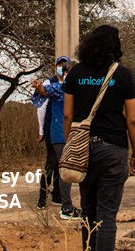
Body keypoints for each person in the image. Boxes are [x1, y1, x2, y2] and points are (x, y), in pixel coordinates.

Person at [63, 24, 135, 251]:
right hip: (113, 149)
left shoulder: (75, 73)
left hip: (83, 149)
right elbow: (133, 120)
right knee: (106, 214)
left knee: (87, 210)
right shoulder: (123, 74)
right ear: (114, 47)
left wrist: (71, 145)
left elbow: (67, 115)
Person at [33, 59, 80, 220]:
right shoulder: (58, 88)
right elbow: (44, 92)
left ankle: (64, 201)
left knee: (68, 169)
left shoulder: (79, 89)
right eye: (64, 70)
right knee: (61, 168)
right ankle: (64, 206)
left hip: (75, 134)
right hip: (59, 134)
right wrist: (38, 86)